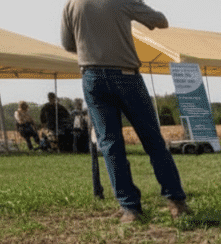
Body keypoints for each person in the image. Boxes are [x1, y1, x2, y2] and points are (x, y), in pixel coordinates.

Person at [61, 0, 189, 223]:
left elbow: (69, 45)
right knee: (152, 140)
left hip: (92, 76)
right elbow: (161, 21)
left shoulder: (72, 3)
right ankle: (175, 201)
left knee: (110, 145)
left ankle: (130, 209)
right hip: (126, 75)